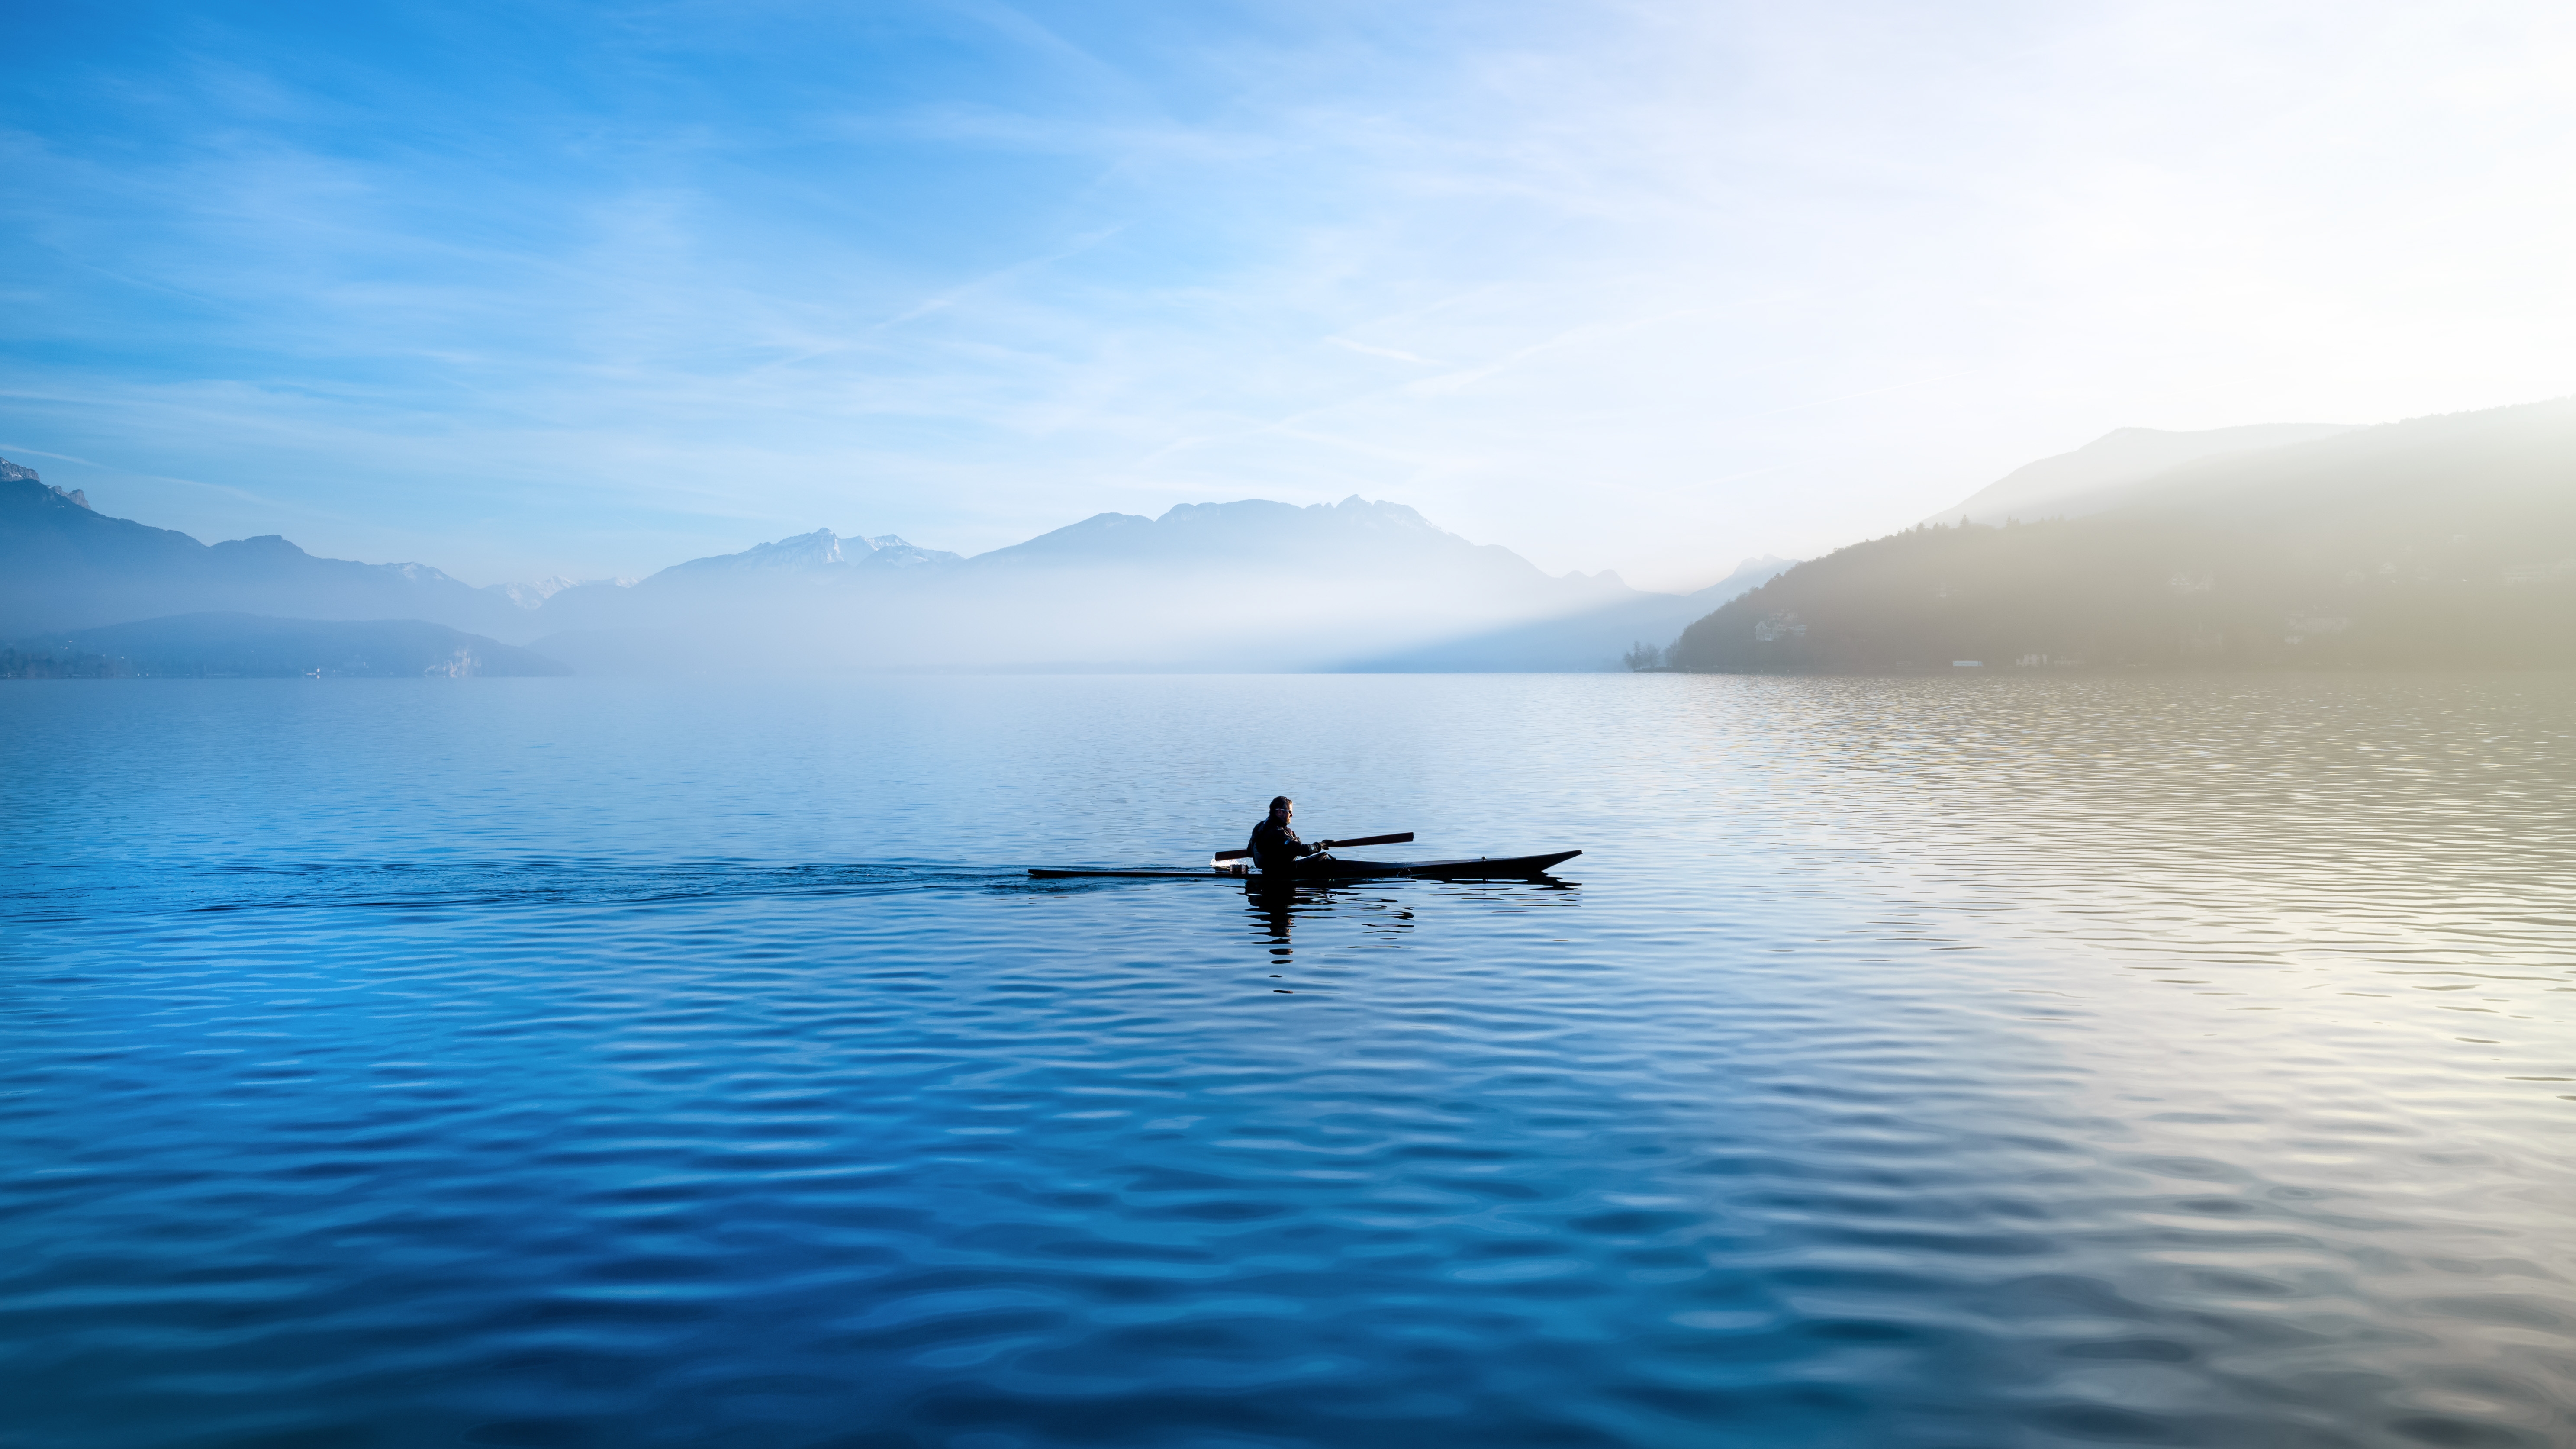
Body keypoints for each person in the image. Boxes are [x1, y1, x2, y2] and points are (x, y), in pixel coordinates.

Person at [1248, 795, 1325, 876]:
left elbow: (1249, 852)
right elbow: (1303, 850)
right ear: (1280, 812)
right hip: (1280, 873)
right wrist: (1321, 845)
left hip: (1267, 870)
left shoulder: (1259, 827)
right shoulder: (1277, 832)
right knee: (1323, 858)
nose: (1292, 815)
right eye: (1290, 812)